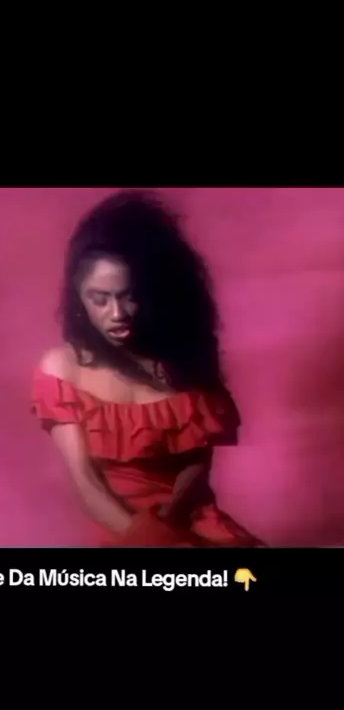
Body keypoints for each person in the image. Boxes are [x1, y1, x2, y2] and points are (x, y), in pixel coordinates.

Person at [31, 190, 264, 547]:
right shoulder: (62, 371)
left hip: (190, 518)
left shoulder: (183, 360)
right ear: (78, 296)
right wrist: (150, 540)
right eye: (100, 299)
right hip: (120, 529)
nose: (117, 313)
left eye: (129, 296)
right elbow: (86, 483)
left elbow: (197, 469)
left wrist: (173, 529)